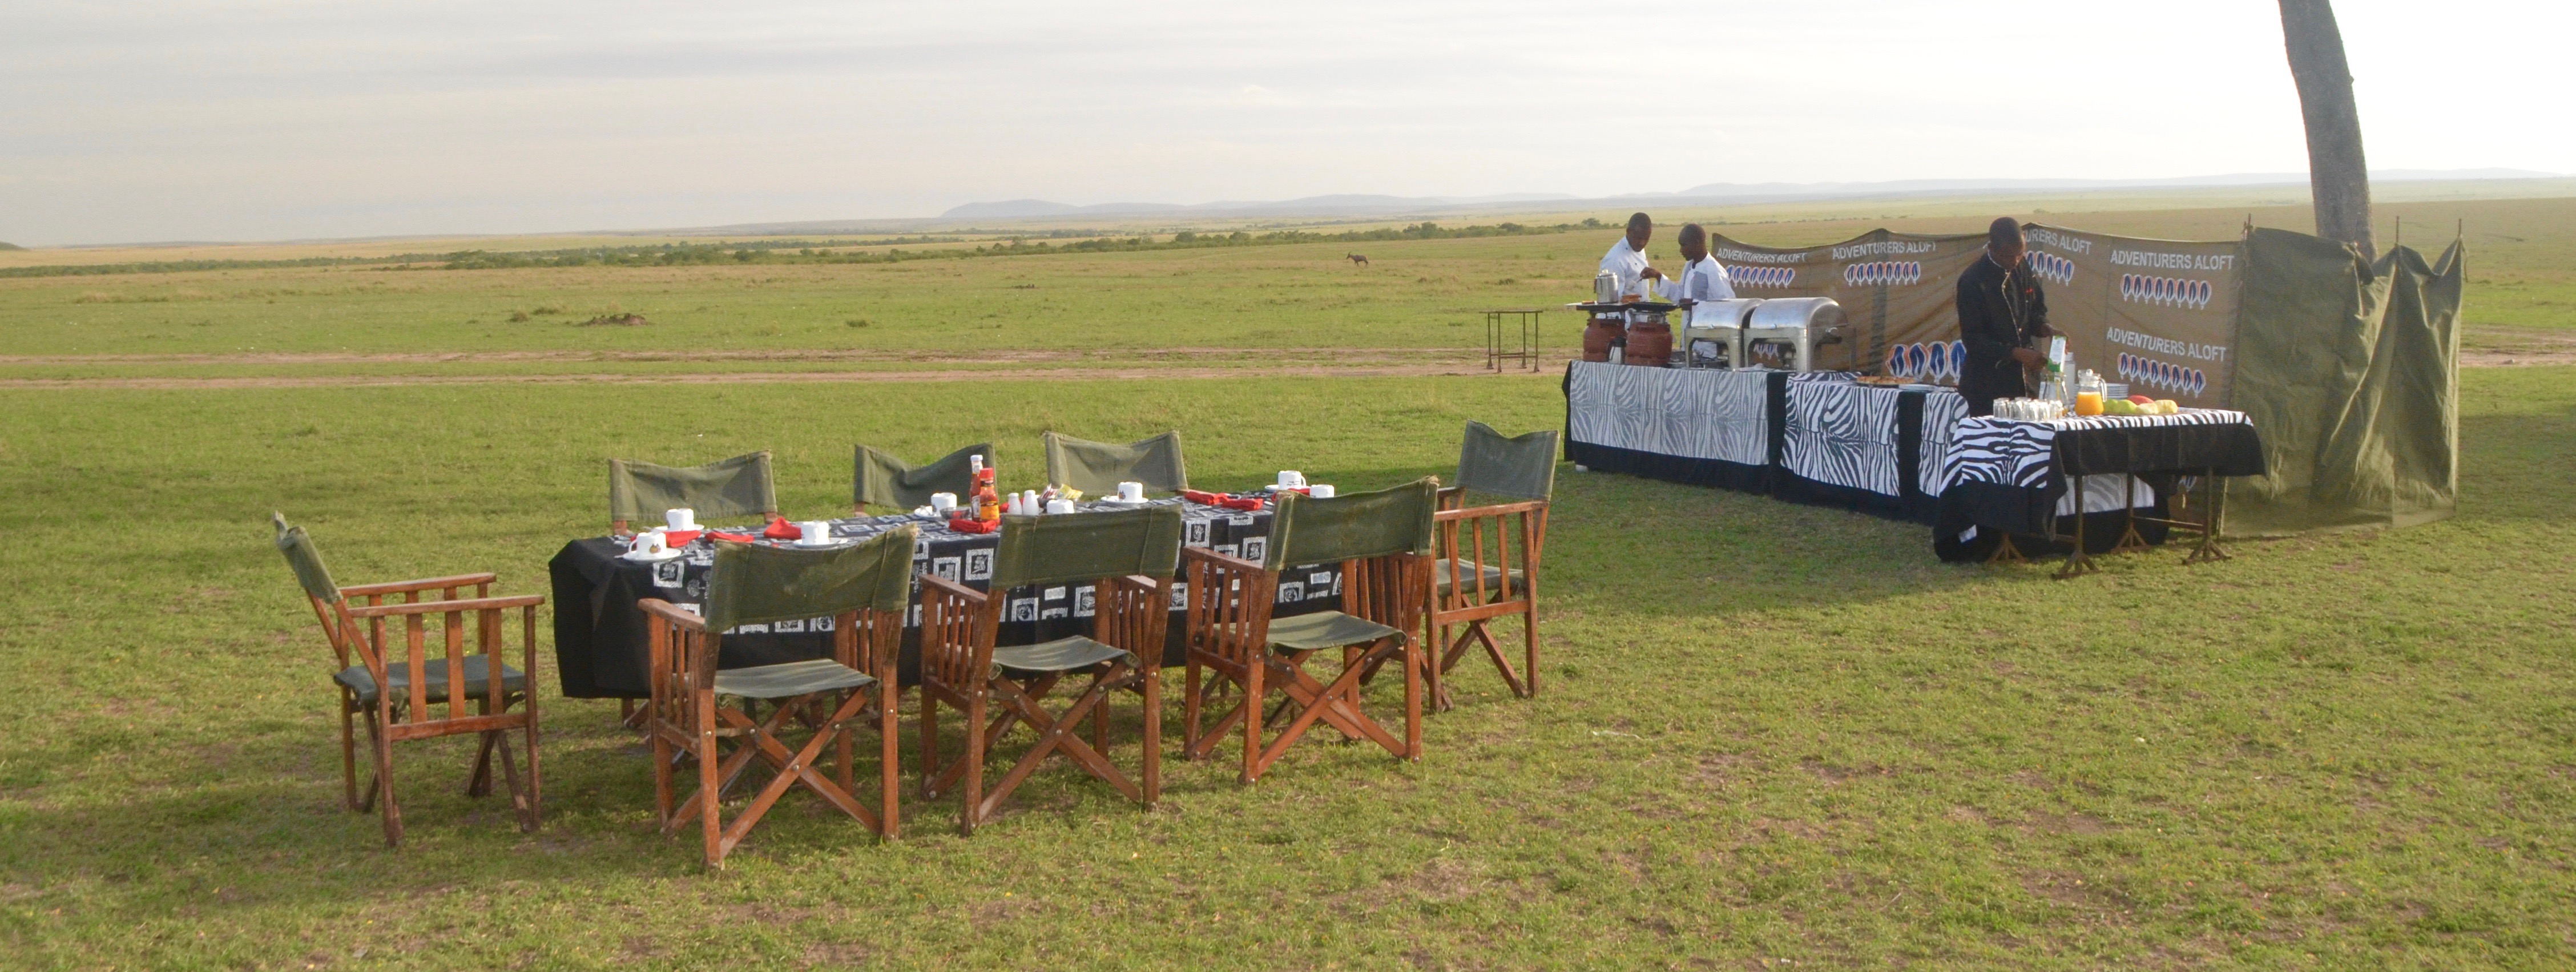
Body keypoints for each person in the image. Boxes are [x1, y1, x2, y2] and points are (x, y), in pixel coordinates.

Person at [1954, 217, 2053, 417]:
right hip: (1987, 388)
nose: (2015, 261)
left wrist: (2046, 328)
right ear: (1991, 248)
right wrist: (2014, 353)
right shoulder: (1972, 281)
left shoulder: (2021, 266)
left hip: (2025, 385)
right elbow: (1974, 339)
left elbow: (2033, 311)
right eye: (2008, 256)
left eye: (2020, 254)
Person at [1598, 212, 1663, 298]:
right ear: (1629, 231)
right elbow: (1612, 303)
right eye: (1639, 238)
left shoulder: (1638, 248)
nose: (1642, 243)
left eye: (1646, 239)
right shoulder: (1615, 259)